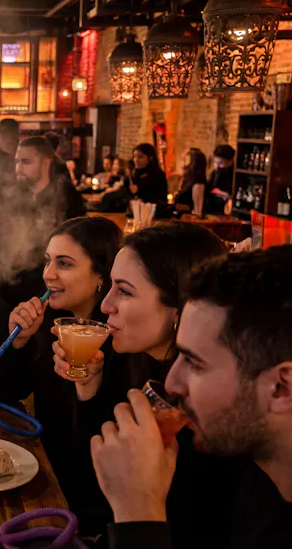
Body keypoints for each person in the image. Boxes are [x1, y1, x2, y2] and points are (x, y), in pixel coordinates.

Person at [94, 246, 292, 549]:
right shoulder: (251, 457)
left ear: (282, 388)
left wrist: (139, 516)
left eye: (194, 363)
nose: (173, 383)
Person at [50, 221, 232, 549]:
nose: (105, 305)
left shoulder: (205, 412)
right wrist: (89, 390)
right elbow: (96, 476)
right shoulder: (128, 357)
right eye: (111, 287)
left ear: (181, 308)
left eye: (125, 291)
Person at [0, 216, 123, 538]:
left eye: (64, 264)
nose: (48, 274)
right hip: (43, 481)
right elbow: (9, 392)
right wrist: (18, 342)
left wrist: (88, 389)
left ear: (101, 277)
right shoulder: (54, 325)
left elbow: (98, 449)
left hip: (84, 512)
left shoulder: (118, 343)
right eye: (48, 261)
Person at [0, 136, 86, 308]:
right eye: (17, 162)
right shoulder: (10, 196)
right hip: (7, 291)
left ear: (46, 163)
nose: (19, 168)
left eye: (26, 162)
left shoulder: (66, 196)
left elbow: (79, 246)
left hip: (48, 293)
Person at [207, 144, 235, 214]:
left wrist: (224, 194)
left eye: (221, 163)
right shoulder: (216, 171)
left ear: (230, 161)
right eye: (216, 162)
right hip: (212, 207)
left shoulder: (235, 174)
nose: (217, 166)